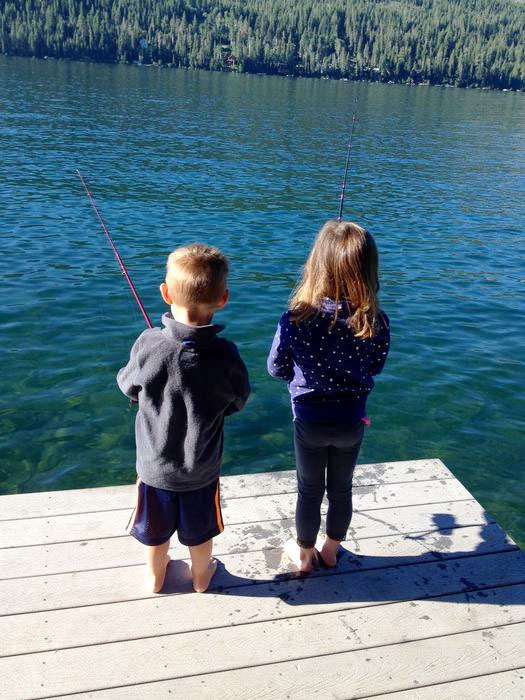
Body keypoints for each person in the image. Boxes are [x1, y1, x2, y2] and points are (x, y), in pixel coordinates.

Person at [117, 243, 250, 593]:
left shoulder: (148, 344)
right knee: (200, 532)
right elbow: (238, 400)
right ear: (223, 298)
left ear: (165, 293)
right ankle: (202, 577)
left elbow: (128, 386)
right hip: (201, 473)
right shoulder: (226, 355)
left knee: (155, 533)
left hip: (153, 471)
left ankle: (155, 577)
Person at [267, 220, 390, 573]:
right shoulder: (376, 322)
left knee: (308, 489)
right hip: (352, 420)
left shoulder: (294, 319)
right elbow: (376, 367)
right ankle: (331, 549)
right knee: (341, 489)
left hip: (309, 420)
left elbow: (276, 368)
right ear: (368, 269)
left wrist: (302, 377)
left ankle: (305, 555)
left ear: (316, 264)